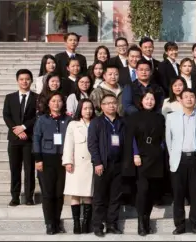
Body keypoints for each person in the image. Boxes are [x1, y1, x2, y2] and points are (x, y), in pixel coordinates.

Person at [165, 89, 196, 235]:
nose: (189, 99)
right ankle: (179, 225)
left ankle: (195, 223)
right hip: (179, 159)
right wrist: (173, 156)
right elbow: (168, 140)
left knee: (195, 193)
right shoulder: (171, 118)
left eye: (192, 96)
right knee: (178, 194)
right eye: (186, 97)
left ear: (195, 99)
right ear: (180, 100)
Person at [122, 90, 166, 236]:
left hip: (155, 156)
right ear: (141, 101)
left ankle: (147, 217)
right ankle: (141, 221)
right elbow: (131, 137)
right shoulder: (134, 117)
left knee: (153, 191)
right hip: (141, 156)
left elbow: (163, 137)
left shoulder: (160, 117)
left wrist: (160, 150)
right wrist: (135, 154)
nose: (149, 101)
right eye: (146, 98)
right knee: (143, 190)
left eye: (152, 99)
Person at [33, 92, 71, 235]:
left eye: (59, 101)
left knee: (59, 194)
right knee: (48, 194)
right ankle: (49, 223)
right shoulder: (42, 119)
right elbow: (36, 139)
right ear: (48, 103)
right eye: (53, 101)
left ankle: (57, 221)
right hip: (46, 159)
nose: (56, 104)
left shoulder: (68, 120)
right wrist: (38, 159)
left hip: (62, 160)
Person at [88, 94, 126, 237]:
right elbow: (92, 144)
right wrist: (97, 162)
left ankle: (112, 224)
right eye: (108, 103)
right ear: (102, 106)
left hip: (118, 164)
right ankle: (97, 225)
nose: (111, 105)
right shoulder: (96, 122)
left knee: (115, 196)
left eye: (114, 103)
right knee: (99, 196)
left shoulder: (122, 122)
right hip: (102, 165)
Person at [3, 69, 39, 206]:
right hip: (14, 139)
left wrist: (24, 127)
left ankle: (29, 197)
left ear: (31, 80)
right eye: (22, 79)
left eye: (27, 79)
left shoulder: (37, 97)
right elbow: (6, 116)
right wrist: (17, 131)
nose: (25, 81)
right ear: (17, 81)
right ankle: (15, 196)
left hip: (29, 139)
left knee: (29, 169)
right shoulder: (10, 97)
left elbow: (37, 116)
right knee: (15, 168)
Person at [62, 99, 95, 234]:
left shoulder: (96, 123)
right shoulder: (73, 124)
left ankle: (86, 223)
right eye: (85, 108)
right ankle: (76, 223)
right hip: (76, 163)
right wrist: (68, 161)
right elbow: (68, 143)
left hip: (91, 163)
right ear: (80, 110)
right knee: (75, 194)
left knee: (88, 194)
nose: (88, 111)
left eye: (90, 108)